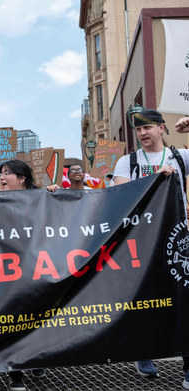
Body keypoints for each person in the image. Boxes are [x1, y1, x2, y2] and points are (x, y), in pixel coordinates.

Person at [113, 109, 189, 388]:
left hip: (176, 240)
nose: (142, 134)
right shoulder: (127, 161)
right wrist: (155, 178)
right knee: (144, 298)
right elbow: (120, 194)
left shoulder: (180, 157)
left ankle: (188, 365)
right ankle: (144, 353)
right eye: (138, 130)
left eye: (147, 128)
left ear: (161, 128)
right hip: (141, 241)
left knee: (183, 299)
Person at [0, 160, 45, 391]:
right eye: (1, 173)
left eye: (7, 173)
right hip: (8, 270)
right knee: (13, 320)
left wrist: (52, 195)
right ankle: (16, 372)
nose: (2, 177)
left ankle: (37, 358)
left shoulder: (40, 198)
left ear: (22, 178)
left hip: (36, 268)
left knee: (38, 317)